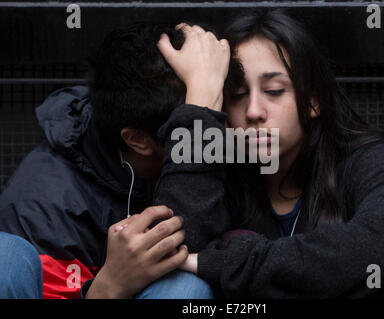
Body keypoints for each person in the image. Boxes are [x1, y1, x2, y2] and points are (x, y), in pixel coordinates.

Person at [157, 10, 384, 298]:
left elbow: (375, 253)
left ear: (313, 101)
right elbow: (177, 250)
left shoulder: (372, 158)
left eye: (274, 91)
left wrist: (213, 263)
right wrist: (199, 105)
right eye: (237, 94)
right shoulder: (219, 167)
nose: (253, 112)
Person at [0, 22, 231, 299]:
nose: (220, 126)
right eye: (197, 117)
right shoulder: (44, 209)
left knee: (184, 287)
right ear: (138, 140)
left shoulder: (239, 137)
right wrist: (109, 288)